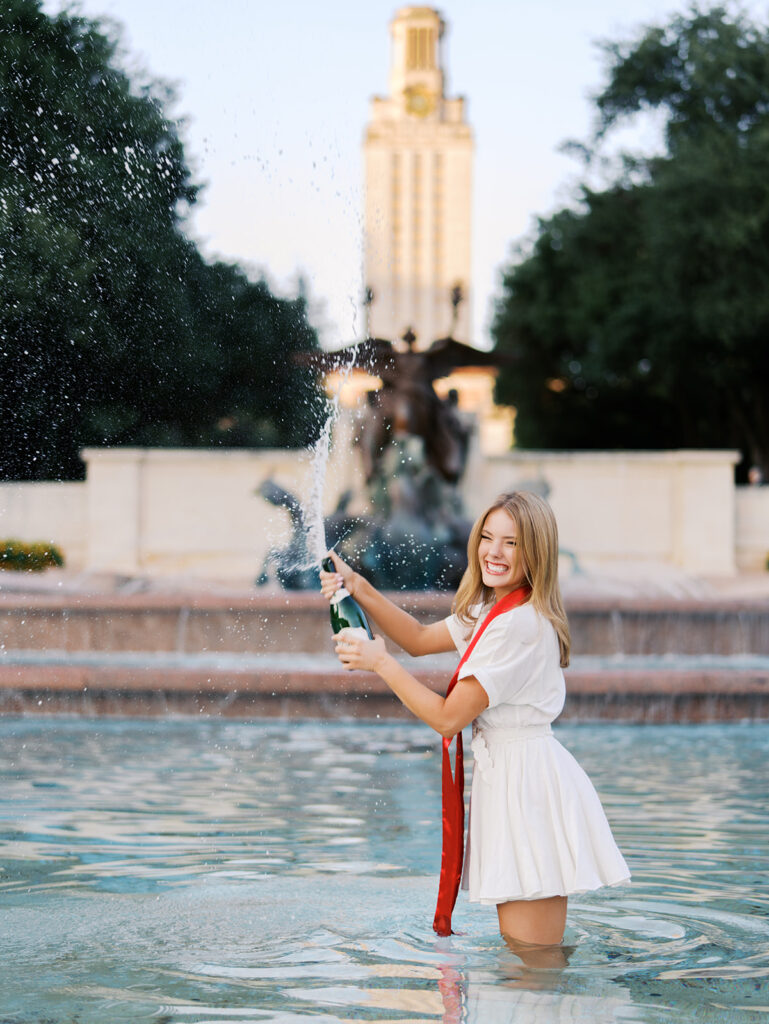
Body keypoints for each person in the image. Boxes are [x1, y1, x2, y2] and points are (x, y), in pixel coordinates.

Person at [320, 491, 630, 956]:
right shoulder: (495, 609)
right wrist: (357, 585)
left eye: (511, 543)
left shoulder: (518, 625)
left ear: (536, 552)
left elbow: (448, 718)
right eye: (487, 537)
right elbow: (421, 639)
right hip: (513, 778)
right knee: (524, 962)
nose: (494, 552)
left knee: (534, 963)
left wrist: (379, 664)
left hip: (527, 788)